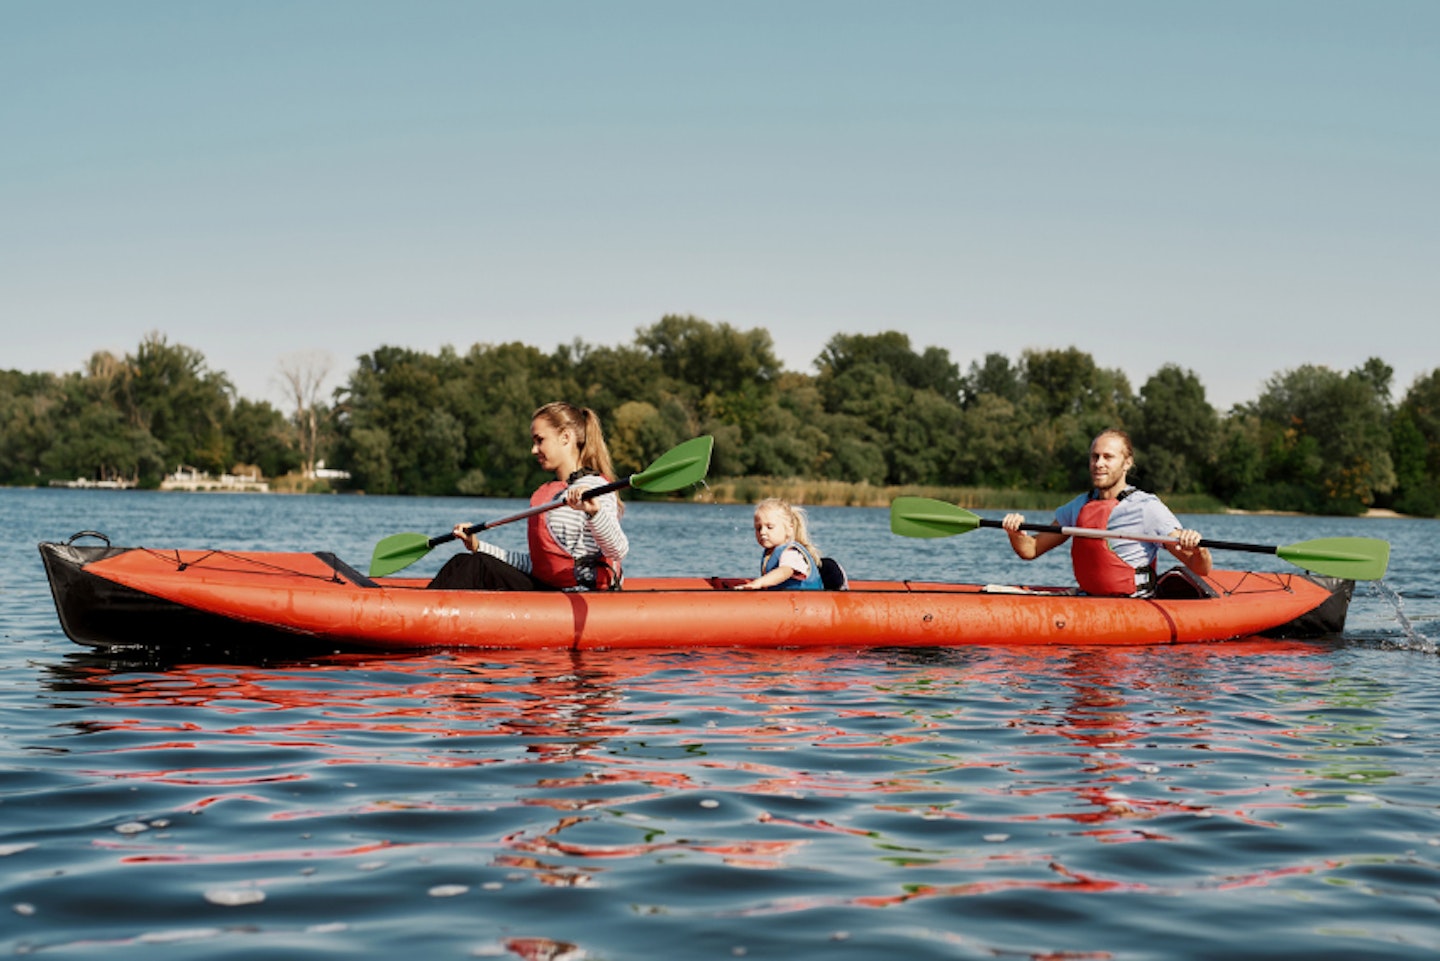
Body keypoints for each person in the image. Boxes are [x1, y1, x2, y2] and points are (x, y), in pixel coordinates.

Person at [428, 402, 627, 591]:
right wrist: (478, 545)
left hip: (578, 595)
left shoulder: (596, 488)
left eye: (540, 440)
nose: (534, 450)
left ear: (565, 437)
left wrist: (594, 513)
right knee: (468, 560)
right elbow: (534, 566)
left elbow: (618, 550)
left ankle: (420, 616)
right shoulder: (552, 494)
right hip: (549, 589)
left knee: (474, 565)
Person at [1000, 429, 1211, 596]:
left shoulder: (1147, 508)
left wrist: (1199, 550)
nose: (1098, 464)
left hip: (1135, 606)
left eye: (1107, 457)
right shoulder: (1078, 506)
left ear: (1127, 463)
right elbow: (1031, 549)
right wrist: (1015, 534)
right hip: (1089, 600)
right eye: (1094, 457)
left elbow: (1199, 568)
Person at [734, 497, 823, 591]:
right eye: (758, 528)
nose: (762, 532)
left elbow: (785, 572)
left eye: (770, 527)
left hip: (805, 602)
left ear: (789, 529)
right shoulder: (770, 553)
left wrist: (759, 583)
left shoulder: (790, 552)